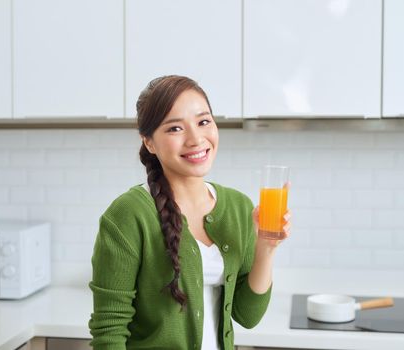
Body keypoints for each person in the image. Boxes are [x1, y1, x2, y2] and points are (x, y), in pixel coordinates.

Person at [88, 75, 291, 349]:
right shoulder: (129, 214)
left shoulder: (239, 207)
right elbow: (109, 332)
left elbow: (247, 315)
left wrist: (265, 248)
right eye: (174, 129)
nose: (196, 139)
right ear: (149, 142)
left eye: (203, 121)